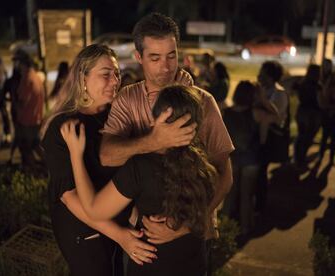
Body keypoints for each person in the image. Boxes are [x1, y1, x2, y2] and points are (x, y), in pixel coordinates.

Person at [99, 13, 234, 275]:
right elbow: (107, 155)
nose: (165, 67)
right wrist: (153, 140)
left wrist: (185, 225)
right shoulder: (128, 99)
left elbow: (225, 174)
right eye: (155, 58)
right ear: (139, 57)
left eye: (171, 55)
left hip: (194, 236)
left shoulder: (202, 102)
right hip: (143, 236)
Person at [61, 85, 216, 276]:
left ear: (156, 119)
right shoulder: (201, 162)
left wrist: (76, 155)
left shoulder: (141, 167)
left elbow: (94, 209)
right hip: (194, 264)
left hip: (152, 266)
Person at [41, 44, 157, 276]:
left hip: (116, 225)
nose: (115, 81)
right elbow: (70, 197)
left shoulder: (114, 118)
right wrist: (120, 235)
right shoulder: (64, 126)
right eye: (106, 74)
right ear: (83, 78)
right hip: (85, 230)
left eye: (116, 74)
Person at [221, 81, 279, 235]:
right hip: (251, 159)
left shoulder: (226, 112)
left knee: (229, 194)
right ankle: (245, 227)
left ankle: (224, 227)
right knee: (247, 195)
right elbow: (277, 117)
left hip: (232, 158)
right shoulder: (256, 113)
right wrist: (264, 99)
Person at [256, 60, 289, 212]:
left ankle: (260, 205)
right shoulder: (263, 89)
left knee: (261, 171)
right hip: (258, 136)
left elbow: (276, 116)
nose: (259, 76)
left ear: (270, 76)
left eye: (263, 73)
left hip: (269, 138)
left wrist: (262, 99)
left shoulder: (279, 93)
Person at [13, 49, 45, 167]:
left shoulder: (26, 78)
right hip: (36, 117)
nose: (16, 65)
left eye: (17, 62)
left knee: (26, 148)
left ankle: (34, 170)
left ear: (22, 63)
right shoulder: (35, 76)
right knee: (35, 146)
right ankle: (49, 168)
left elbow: (22, 101)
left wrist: (15, 104)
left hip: (27, 119)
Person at [293, 64, 322, 170]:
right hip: (312, 114)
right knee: (307, 138)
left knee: (301, 136)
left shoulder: (303, 83)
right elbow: (320, 101)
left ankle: (298, 158)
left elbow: (295, 90)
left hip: (302, 111)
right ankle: (301, 159)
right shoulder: (317, 86)